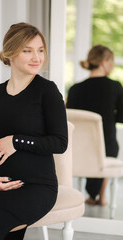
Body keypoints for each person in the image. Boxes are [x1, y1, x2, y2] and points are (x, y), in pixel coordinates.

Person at [0, 22, 68, 240]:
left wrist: (17, 141)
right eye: (27, 51)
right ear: (10, 53)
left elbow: (60, 142)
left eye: (40, 50)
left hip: (36, 186)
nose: (37, 58)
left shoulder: (47, 91)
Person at [66, 44, 123, 206]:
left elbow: (69, 118)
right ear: (104, 62)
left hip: (79, 146)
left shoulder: (75, 89)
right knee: (109, 144)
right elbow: (121, 117)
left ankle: (90, 195)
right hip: (106, 146)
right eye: (111, 61)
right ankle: (102, 196)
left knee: (95, 146)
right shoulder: (115, 86)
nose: (112, 65)